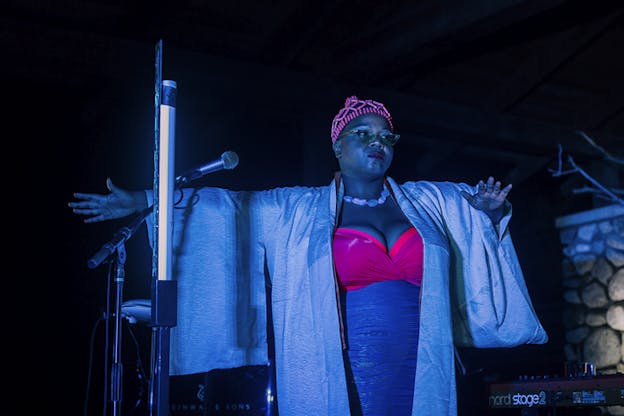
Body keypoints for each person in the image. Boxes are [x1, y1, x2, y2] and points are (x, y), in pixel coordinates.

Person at [69, 95, 548, 416]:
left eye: (386, 137)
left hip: (422, 364)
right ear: (337, 145)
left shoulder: (429, 202)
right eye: (364, 134)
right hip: (343, 367)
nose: (377, 144)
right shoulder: (300, 209)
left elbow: (476, 220)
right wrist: (143, 200)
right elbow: (228, 210)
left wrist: (489, 212)